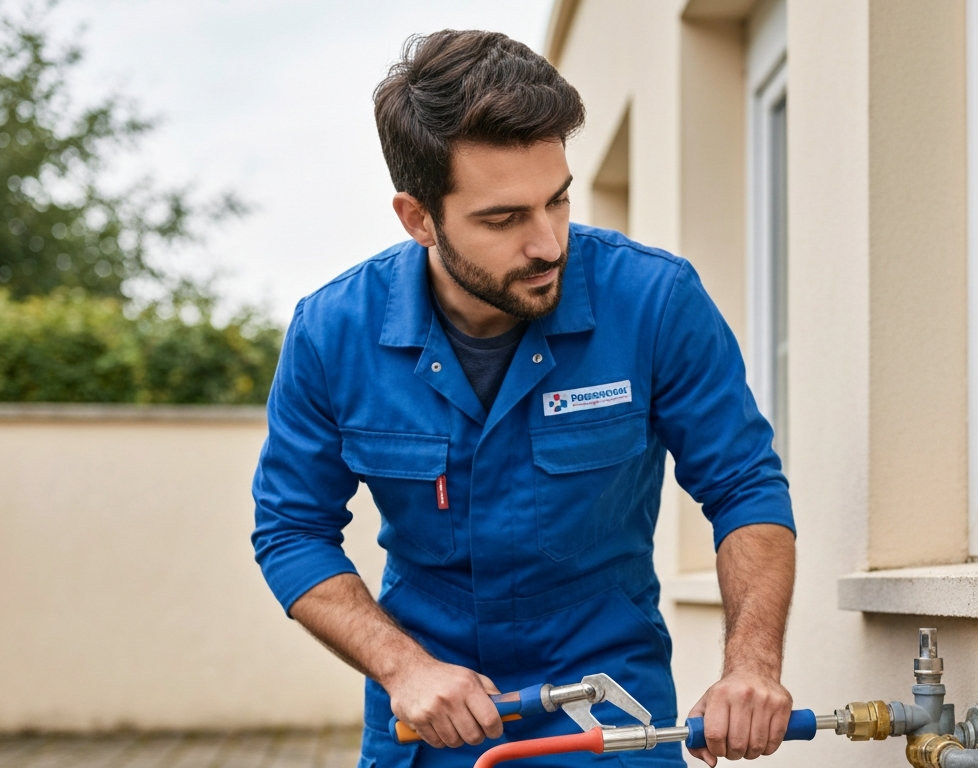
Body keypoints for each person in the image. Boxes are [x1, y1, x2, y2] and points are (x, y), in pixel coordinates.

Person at [251, 30, 796, 768]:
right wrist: (403, 668)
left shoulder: (655, 301)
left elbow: (744, 486)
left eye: (559, 201)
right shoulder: (333, 334)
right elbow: (291, 529)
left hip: (608, 714)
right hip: (430, 721)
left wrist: (751, 667)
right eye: (505, 219)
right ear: (418, 219)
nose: (548, 243)